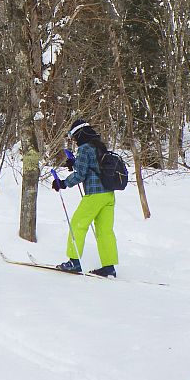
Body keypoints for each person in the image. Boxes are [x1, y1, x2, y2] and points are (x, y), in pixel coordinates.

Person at [53, 119, 118, 277]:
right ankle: (109, 268)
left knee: (77, 225)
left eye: (74, 137)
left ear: (80, 134)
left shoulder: (84, 149)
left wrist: (62, 183)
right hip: (109, 195)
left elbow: (81, 175)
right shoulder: (99, 146)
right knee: (105, 231)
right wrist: (74, 163)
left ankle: (74, 262)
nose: (75, 140)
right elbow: (92, 167)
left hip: (94, 195)